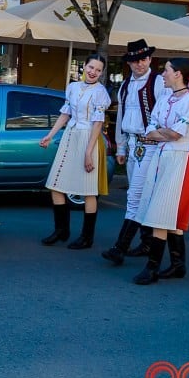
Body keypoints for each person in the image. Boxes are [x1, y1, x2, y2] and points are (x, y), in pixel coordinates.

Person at [131, 59, 189, 284]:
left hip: (181, 159)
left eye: (166, 70)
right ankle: (177, 264)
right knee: (165, 210)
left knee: (162, 212)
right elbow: (150, 128)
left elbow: (176, 134)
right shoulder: (164, 98)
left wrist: (160, 133)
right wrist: (162, 133)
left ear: (178, 74)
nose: (163, 74)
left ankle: (152, 268)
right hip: (162, 156)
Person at [103, 39, 169, 262]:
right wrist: (120, 146)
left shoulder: (159, 82)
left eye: (143, 59)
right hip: (132, 144)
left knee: (135, 195)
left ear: (150, 59)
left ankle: (120, 247)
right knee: (140, 194)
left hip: (150, 145)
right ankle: (147, 242)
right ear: (129, 63)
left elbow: (165, 115)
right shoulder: (125, 85)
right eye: (135, 61)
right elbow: (121, 118)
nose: (140, 64)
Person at [39, 53, 110, 249]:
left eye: (98, 70)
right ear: (84, 66)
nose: (93, 72)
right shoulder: (72, 87)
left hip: (89, 138)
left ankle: (87, 237)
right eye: (90, 67)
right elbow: (65, 113)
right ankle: (62, 230)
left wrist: (89, 152)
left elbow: (97, 124)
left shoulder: (100, 93)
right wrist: (50, 135)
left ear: (101, 73)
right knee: (56, 184)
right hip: (70, 136)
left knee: (88, 191)